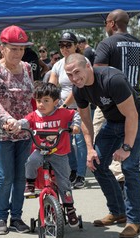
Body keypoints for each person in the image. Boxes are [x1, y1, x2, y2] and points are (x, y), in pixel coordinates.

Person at [64, 53, 140, 238]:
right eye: (69, 75)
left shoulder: (112, 80)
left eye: (77, 72)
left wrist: (126, 147)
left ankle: (133, 220)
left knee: (129, 166)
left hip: (137, 120)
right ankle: (118, 211)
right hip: (112, 123)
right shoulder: (78, 89)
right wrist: (90, 149)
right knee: (96, 163)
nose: (74, 78)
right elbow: (86, 121)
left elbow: (132, 116)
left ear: (88, 66)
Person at [5, 82, 81, 227]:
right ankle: (31, 183)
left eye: (46, 101)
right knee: (31, 162)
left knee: (64, 181)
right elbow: (24, 122)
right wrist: (15, 126)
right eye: (39, 100)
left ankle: (69, 208)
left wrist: (75, 126)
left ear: (56, 102)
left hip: (59, 153)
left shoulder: (62, 113)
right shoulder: (35, 116)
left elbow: (75, 113)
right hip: (41, 151)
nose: (41, 104)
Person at [0, 25, 35, 235]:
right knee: (6, 176)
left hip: (24, 131)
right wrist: (8, 119)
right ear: (2, 48)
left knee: (21, 177)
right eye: (14, 48)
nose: (18, 53)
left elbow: (32, 97)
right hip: (1, 133)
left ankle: (16, 217)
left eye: (22, 49)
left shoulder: (27, 68)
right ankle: (1, 217)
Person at [93, 9, 140, 188]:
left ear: (111, 23)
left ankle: (117, 182)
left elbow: (98, 72)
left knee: (100, 147)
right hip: (133, 98)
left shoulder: (106, 44)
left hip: (110, 102)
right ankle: (124, 184)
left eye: (106, 23)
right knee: (129, 149)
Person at [49, 31, 87, 189]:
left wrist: (64, 105)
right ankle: (73, 170)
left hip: (79, 107)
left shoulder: (82, 61)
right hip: (63, 108)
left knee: (80, 141)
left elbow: (77, 86)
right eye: (61, 45)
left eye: (68, 45)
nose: (64, 48)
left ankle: (81, 175)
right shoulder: (58, 64)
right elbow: (52, 85)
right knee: (65, 140)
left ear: (76, 46)